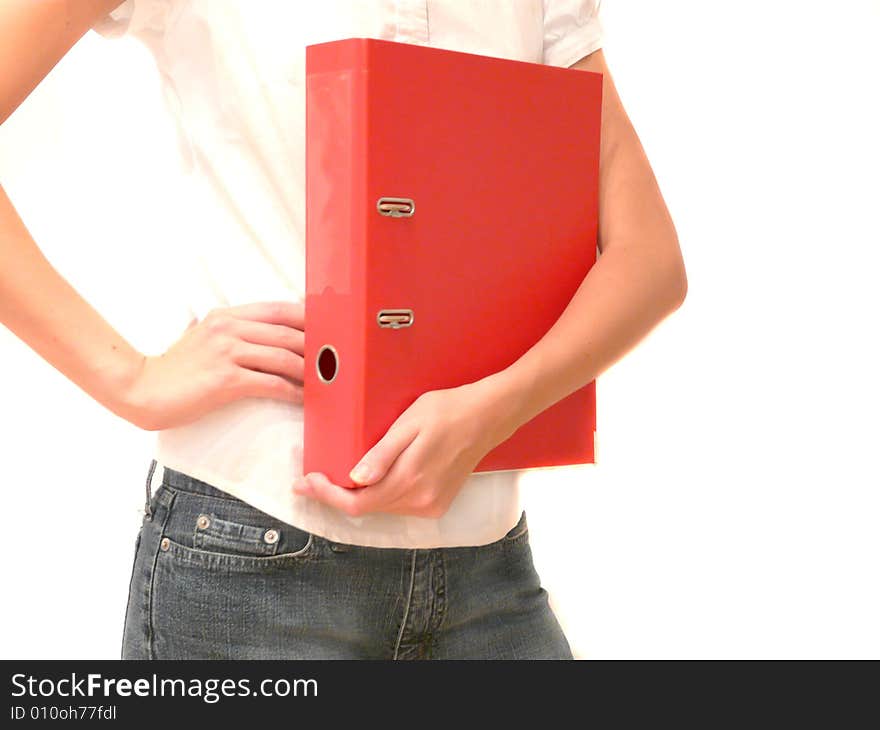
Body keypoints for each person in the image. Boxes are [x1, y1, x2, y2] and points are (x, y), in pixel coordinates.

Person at [0, 0, 687, 660]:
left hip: (489, 571)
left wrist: (498, 407)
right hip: (249, 555)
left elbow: (649, 256)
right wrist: (132, 381)